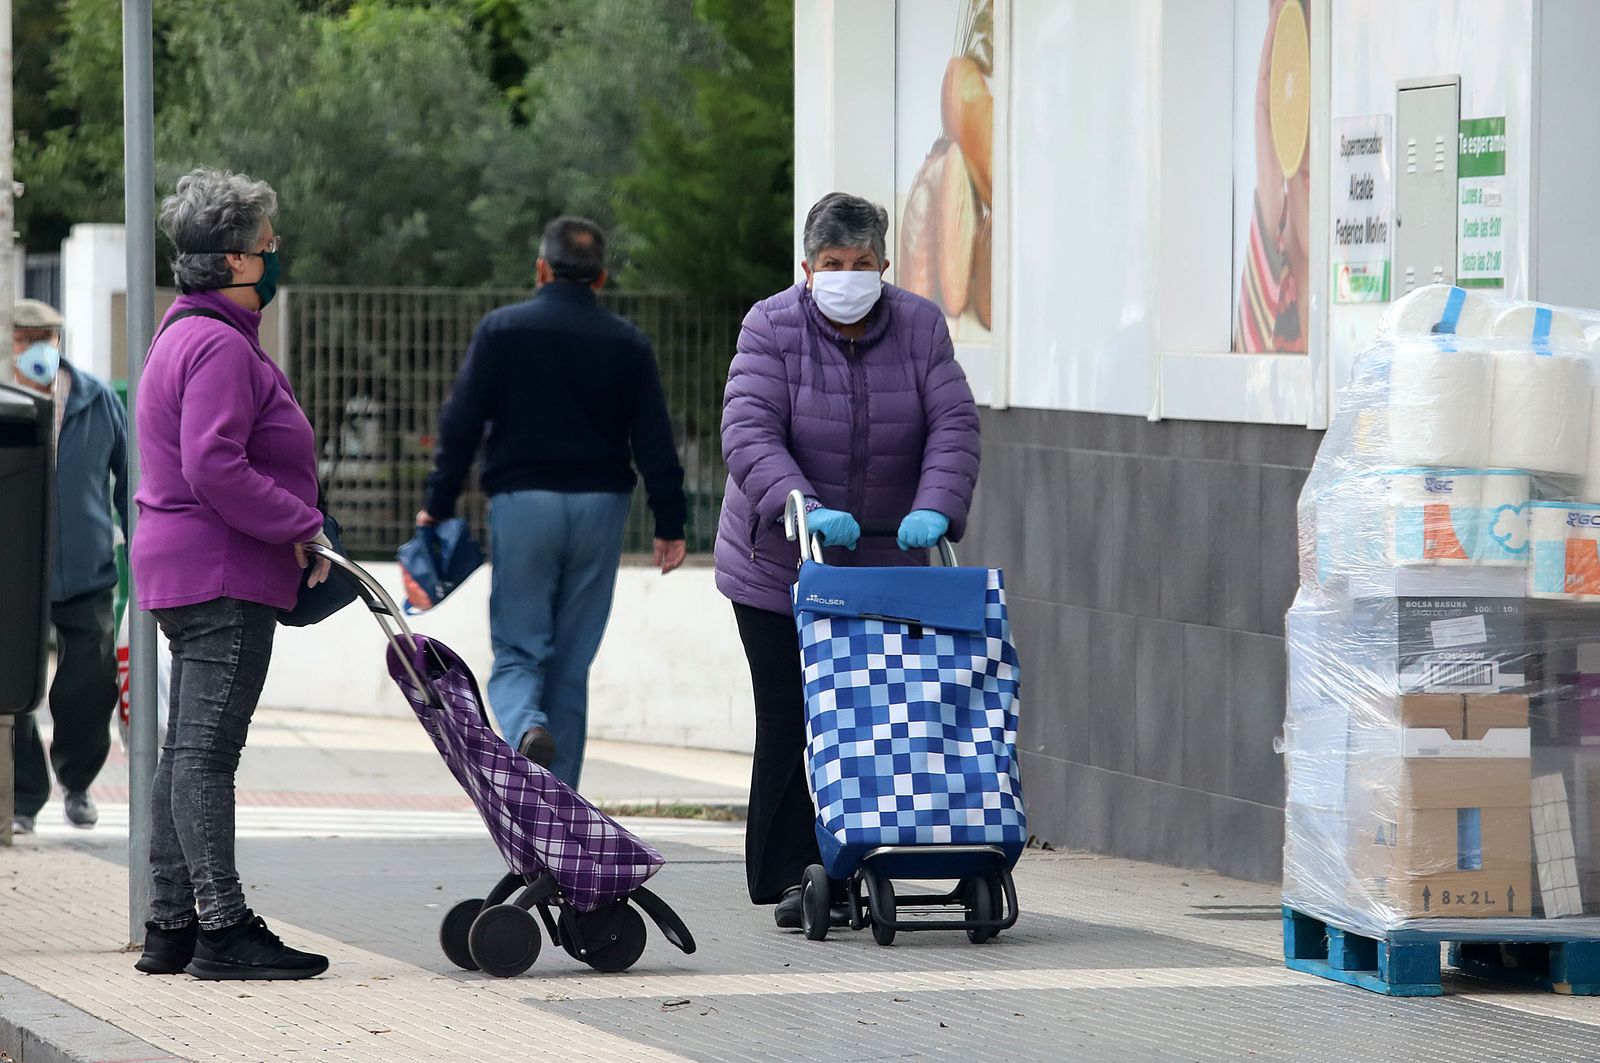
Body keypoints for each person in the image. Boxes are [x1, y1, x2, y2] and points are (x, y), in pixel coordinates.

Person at [715, 192, 981, 928]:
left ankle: (877, 848)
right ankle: (789, 875)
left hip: (887, 565)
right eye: (832, 263)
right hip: (781, 565)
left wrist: (937, 504)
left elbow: (953, 424)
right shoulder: (771, 326)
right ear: (808, 269)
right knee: (791, 713)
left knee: (884, 713)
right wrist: (797, 501)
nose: (847, 275)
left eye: (862, 262)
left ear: (884, 265)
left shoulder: (921, 327)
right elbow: (748, 429)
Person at [130, 167, 332, 980]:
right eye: (269, 245)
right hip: (223, 571)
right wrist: (302, 523)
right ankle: (222, 927)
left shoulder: (182, 332)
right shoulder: (217, 344)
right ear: (237, 261)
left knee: (184, 752)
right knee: (208, 757)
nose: (277, 256)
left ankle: (170, 924)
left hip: (185, 565)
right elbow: (213, 464)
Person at [419, 216, 688, 789]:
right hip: (602, 508)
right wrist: (670, 522)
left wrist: (438, 502)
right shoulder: (628, 343)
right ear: (601, 278)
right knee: (571, 662)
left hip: (525, 504)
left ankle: (525, 726)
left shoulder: (502, 330)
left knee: (519, 650)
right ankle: (561, 805)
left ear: (541, 268)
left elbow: (461, 423)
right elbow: (655, 440)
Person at [8, 298, 128, 835]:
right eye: (23, 340)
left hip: (87, 570)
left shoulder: (95, 400)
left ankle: (77, 781)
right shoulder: (5, 402)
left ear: (58, 341)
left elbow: (132, 478)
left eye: (43, 339)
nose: (33, 349)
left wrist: (144, 547)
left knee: (91, 680)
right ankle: (23, 797)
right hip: (14, 571)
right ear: (11, 344)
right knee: (13, 688)